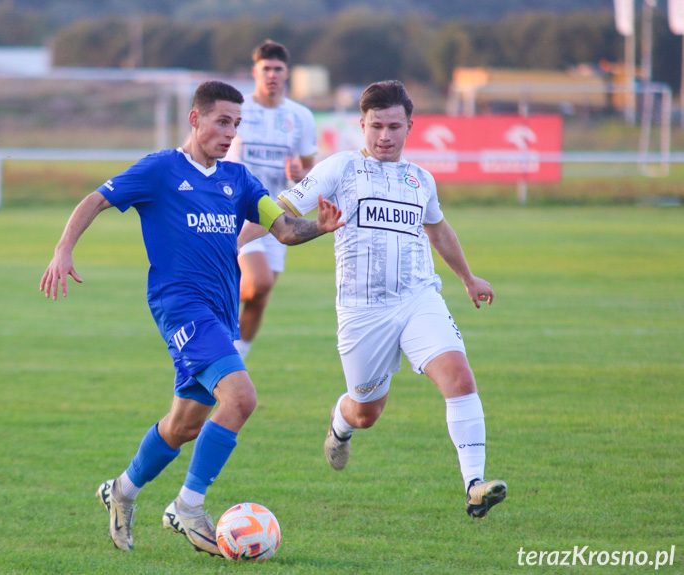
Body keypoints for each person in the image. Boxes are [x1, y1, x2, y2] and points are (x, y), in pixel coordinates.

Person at [39, 80, 343, 555]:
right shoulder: (161, 169)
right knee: (241, 399)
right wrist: (63, 249)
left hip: (221, 312)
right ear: (195, 118)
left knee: (183, 425)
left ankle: (121, 491)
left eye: (236, 124)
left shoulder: (238, 180)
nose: (229, 132)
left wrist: (319, 227)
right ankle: (188, 505)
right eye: (222, 121)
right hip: (181, 306)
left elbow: (282, 229)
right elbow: (96, 199)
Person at [248, 80, 507, 519]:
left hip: (418, 299)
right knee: (367, 411)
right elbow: (278, 210)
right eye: (375, 127)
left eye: (393, 126)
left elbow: (438, 229)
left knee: (459, 377)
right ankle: (340, 423)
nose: (384, 136)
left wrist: (466, 277)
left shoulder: (420, 179)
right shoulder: (340, 169)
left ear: (410, 126)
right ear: (362, 126)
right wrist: (228, 248)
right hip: (362, 312)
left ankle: (474, 484)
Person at [225, 40, 318, 361]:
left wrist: (299, 170)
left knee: (259, 297)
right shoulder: (237, 110)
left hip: (278, 213)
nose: (272, 75)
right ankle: (203, 307)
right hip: (238, 211)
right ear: (255, 71)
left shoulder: (300, 116)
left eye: (278, 69)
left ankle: (235, 361)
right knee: (260, 280)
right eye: (266, 69)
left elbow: (310, 167)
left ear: (287, 73)